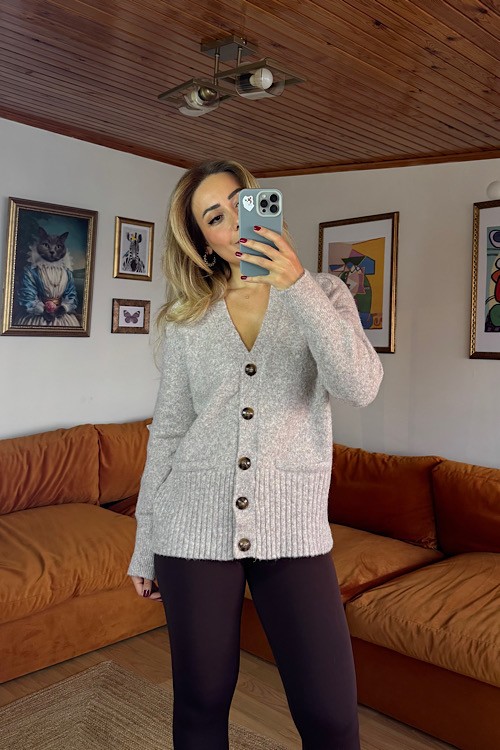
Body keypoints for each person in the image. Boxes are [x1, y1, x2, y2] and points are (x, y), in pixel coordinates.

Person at [128, 159, 383, 750]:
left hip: (293, 528)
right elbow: (169, 433)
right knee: (201, 701)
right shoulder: (188, 318)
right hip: (190, 527)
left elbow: (360, 386)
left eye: (239, 203)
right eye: (214, 217)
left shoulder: (325, 293)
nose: (234, 223)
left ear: (263, 205)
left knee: (330, 715)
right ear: (203, 242)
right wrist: (145, 542)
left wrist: (296, 286)